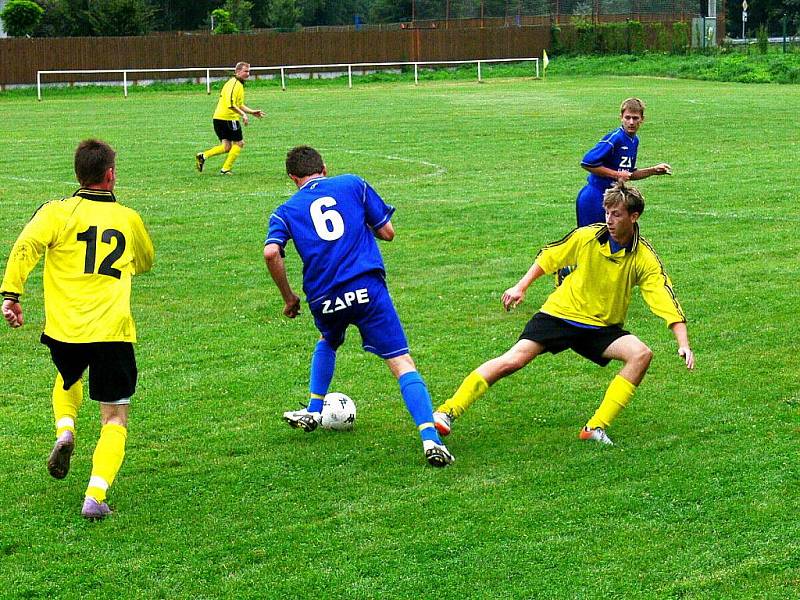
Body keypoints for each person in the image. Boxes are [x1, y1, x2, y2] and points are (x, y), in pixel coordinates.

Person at [433, 181, 694, 445]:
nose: (609, 220)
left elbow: (663, 296)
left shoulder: (643, 257)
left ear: (633, 216)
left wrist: (683, 343)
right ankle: (447, 411)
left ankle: (595, 428)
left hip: (601, 327)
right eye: (607, 213)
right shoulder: (587, 237)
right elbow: (550, 256)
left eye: (616, 214)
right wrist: (521, 286)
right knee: (513, 360)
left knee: (640, 354)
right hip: (560, 314)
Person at [263, 146, 454, 467]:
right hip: (366, 287)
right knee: (401, 363)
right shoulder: (352, 183)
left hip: (323, 296)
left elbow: (271, 253)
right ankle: (430, 439)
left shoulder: (285, 211)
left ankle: (313, 411)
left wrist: (289, 297)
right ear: (325, 167)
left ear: (292, 178)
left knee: (329, 340)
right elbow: (388, 233)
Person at [1, 139, 154, 520]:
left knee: (67, 376)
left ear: (78, 174)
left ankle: (65, 429)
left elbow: (25, 247)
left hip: (65, 330)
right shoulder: (128, 218)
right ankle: (95, 495)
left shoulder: (55, 212)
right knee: (114, 418)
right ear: (110, 175)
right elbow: (146, 261)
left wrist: (11, 294)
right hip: (112, 332)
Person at [575, 97, 672, 228]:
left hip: (612, 199)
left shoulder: (634, 140)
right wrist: (616, 174)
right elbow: (587, 162)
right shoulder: (616, 138)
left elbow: (628, 173)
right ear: (621, 117)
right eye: (627, 117)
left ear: (642, 119)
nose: (631, 122)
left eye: (635, 118)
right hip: (595, 197)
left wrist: (653, 170)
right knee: (591, 242)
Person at [196, 61, 264, 175]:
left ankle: (203, 156)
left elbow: (239, 104)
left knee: (226, 147)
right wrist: (243, 114)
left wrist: (252, 112)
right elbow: (231, 105)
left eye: (249, 71)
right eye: (245, 71)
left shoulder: (237, 84)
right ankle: (225, 169)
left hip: (219, 118)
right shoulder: (234, 84)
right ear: (237, 72)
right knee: (239, 143)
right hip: (227, 119)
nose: (248, 74)